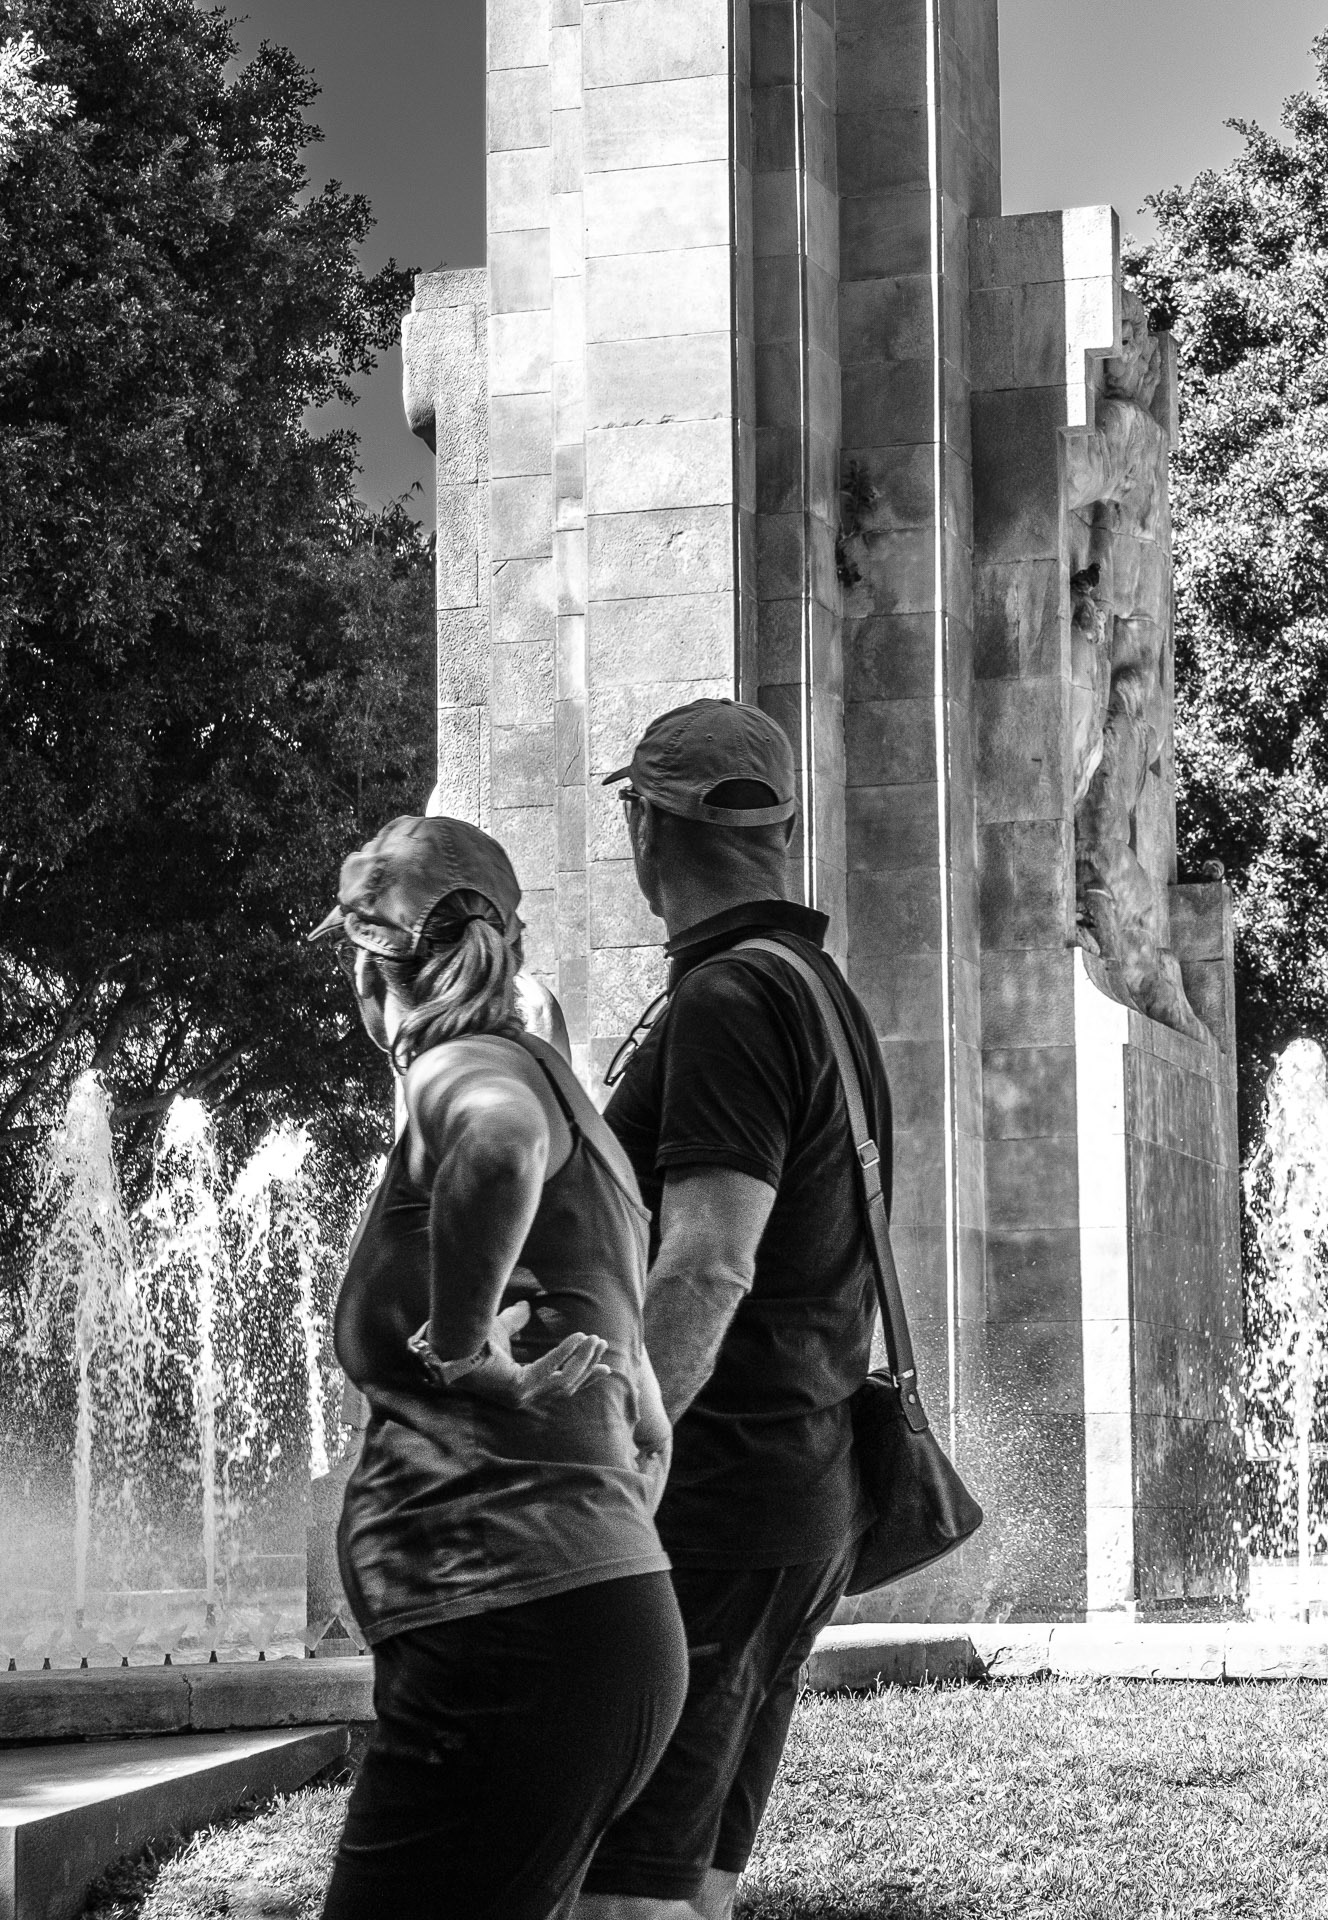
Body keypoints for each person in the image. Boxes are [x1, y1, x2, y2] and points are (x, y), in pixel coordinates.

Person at [311, 814, 687, 1920]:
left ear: (372, 969)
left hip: (510, 1633)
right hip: (567, 1624)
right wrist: (646, 1405)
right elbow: (612, 1304)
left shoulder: (462, 1069)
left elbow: (497, 1146)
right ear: (508, 941)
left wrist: (462, 1345)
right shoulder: (571, 1097)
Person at [577, 702, 893, 1920]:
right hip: (794, 1499)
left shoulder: (727, 1003)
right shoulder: (815, 987)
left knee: (624, 1897)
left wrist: (616, 1463)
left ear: (649, 826)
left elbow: (708, 1264)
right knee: (690, 1884)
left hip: (710, 1506)